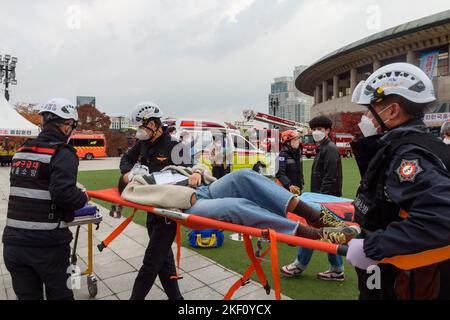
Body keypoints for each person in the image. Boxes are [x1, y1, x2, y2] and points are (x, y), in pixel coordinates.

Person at [347, 62, 450, 300]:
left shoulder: (408, 156)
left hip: (403, 278)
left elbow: (442, 218)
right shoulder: (413, 146)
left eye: (370, 108)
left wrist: (372, 246)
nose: (364, 116)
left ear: (392, 111)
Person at [119, 164, 360, 245]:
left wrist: (195, 172)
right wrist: (185, 195)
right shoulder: (137, 185)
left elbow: (201, 166)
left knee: (243, 175)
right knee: (236, 205)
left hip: (205, 188)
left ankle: (316, 215)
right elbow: (137, 195)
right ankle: (316, 234)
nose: (134, 172)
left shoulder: (166, 170)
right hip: (189, 204)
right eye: (129, 174)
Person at [2, 98, 88, 300]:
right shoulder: (62, 152)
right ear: (67, 126)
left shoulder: (20, 152)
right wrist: (82, 197)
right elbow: (64, 195)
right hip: (47, 245)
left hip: (13, 244)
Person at [120, 101, 190, 300]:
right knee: (163, 261)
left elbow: (187, 176)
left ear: (152, 124)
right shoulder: (142, 145)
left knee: (150, 264)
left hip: (167, 212)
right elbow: (125, 160)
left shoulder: (176, 147)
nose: (138, 132)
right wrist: (128, 174)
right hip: (151, 210)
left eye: (141, 127)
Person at [281, 116, 345, 281]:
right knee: (325, 233)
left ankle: (301, 264)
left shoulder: (329, 149)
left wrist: (319, 200)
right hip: (322, 198)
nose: (316, 132)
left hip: (324, 200)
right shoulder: (323, 147)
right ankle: (336, 269)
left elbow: (331, 178)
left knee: (313, 231)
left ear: (328, 131)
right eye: (314, 129)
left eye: (320, 129)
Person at [276, 130, 304, 195]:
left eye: (298, 139)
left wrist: (301, 183)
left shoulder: (298, 153)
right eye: (295, 139)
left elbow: (300, 170)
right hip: (286, 190)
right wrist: (290, 185)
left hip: (297, 189)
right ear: (287, 142)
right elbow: (279, 173)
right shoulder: (282, 155)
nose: (298, 141)